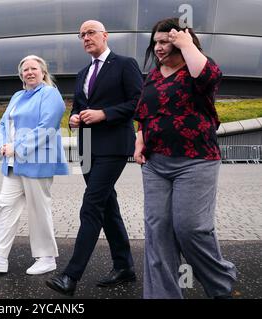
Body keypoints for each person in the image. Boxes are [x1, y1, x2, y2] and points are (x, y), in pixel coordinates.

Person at [134, 18, 237, 299]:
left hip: (196, 161)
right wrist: (140, 139)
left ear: (182, 40)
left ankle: (220, 281)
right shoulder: (153, 77)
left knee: (190, 228)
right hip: (156, 164)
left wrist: (186, 42)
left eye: (165, 40)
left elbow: (209, 76)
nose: (159, 47)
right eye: (155, 42)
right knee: (159, 233)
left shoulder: (196, 67)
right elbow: (144, 113)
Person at [46, 20, 142, 296]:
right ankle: (124, 266)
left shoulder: (125, 64)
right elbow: (79, 105)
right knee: (107, 207)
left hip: (113, 146)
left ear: (104, 35)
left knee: (91, 206)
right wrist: (75, 117)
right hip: (88, 147)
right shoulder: (82, 73)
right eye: (82, 35)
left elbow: (138, 102)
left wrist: (104, 113)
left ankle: (70, 276)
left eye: (90, 33)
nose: (86, 38)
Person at [0, 55, 68, 275]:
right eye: (25, 69)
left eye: (34, 68)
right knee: (5, 206)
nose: (30, 72)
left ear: (43, 72)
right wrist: (5, 144)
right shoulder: (17, 95)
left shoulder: (50, 94)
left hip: (36, 161)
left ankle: (46, 258)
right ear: (21, 74)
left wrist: (18, 147)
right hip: (13, 162)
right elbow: (5, 122)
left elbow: (47, 126)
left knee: (38, 210)